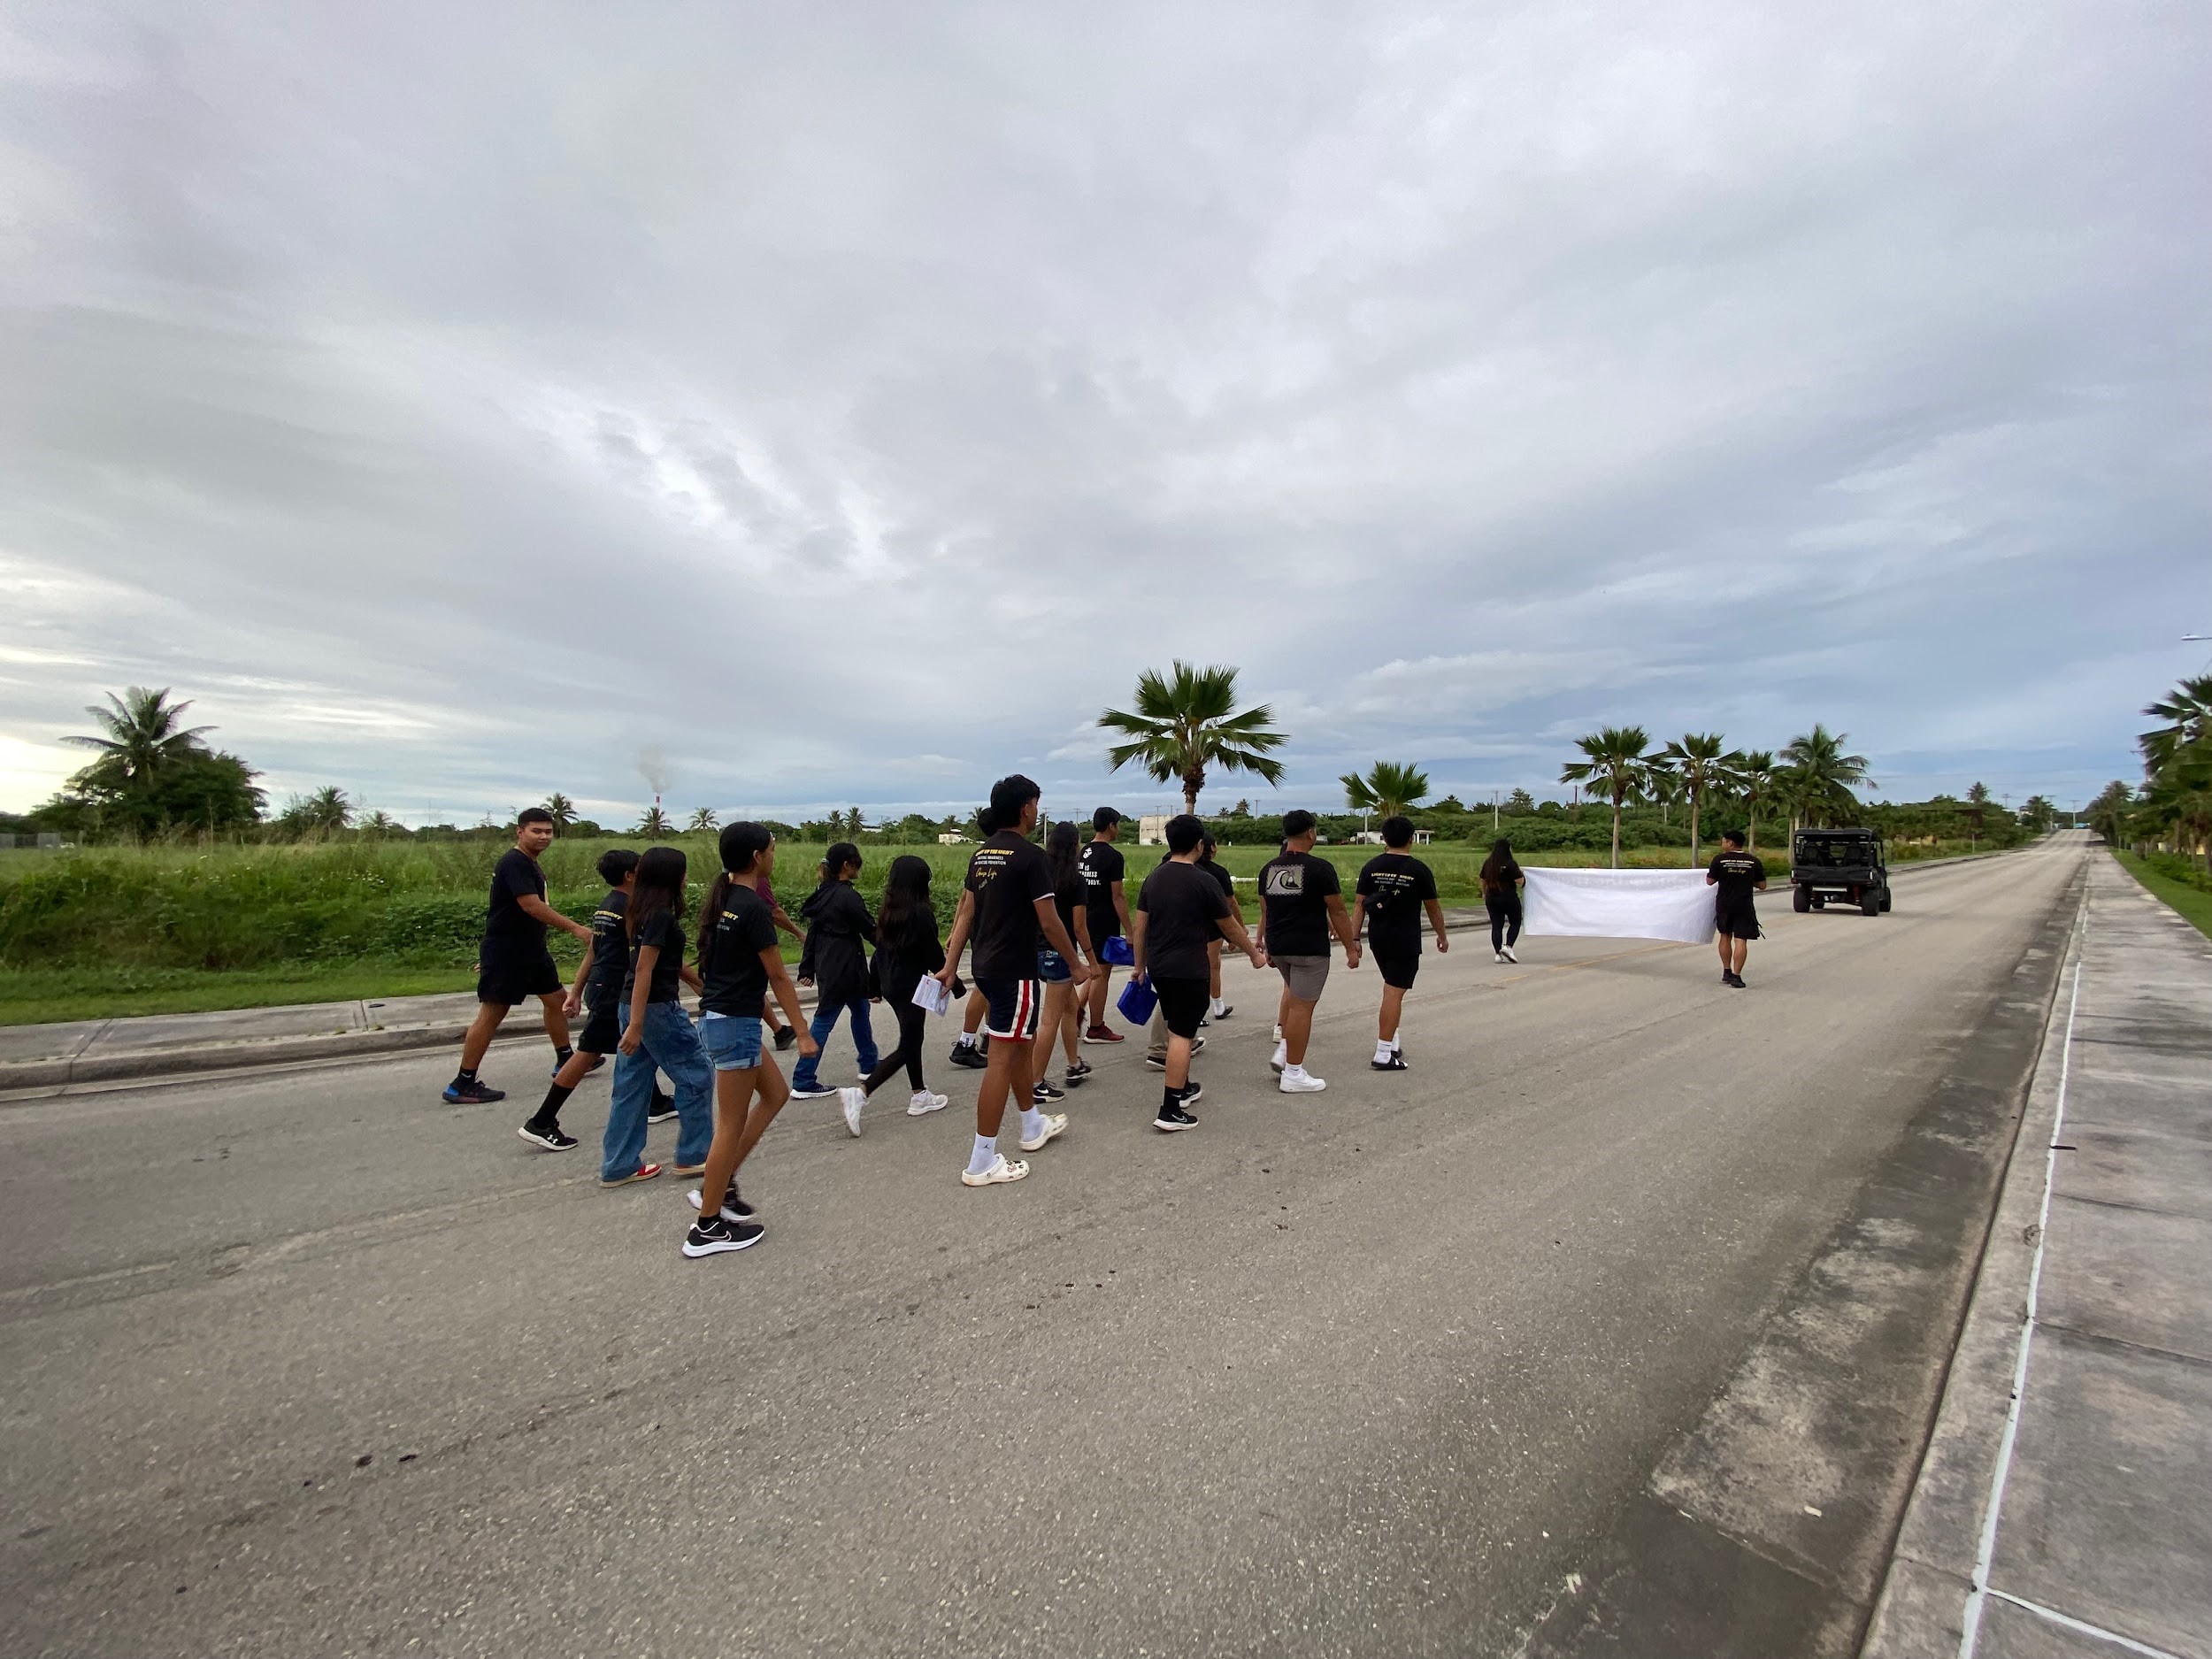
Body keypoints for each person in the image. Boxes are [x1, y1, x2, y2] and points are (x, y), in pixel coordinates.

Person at [933, 775, 1090, 1187]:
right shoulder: (1029, 856)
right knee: (1002, 1056)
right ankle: (982, 1159)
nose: (1037, 809)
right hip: (1014, 970)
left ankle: (1032, 1124)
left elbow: (966, 913)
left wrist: (952, 965)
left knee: (1019, 1045)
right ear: (1025, 809)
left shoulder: (981, 854)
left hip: (985, 965)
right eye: (1036, 803)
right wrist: (1076, 964)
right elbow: (1050, 919)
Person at [682, 822, 818, 1258]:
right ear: (758, 857)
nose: (774, 856)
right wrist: (801, 1032)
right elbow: (778, 974)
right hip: (734, 1024)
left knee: (776, 1094)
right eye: (772, 850)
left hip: (725, 1020)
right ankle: (706, 1227)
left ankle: (719, 1186)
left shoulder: (726, 901)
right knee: (729, 1126)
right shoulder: (753, 907)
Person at [518, 847, 671, 1151]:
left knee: (634, 1044)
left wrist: (576, 992)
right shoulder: (629, 908)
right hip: (613, 988)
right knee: (588, 1053)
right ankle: (542, 1120)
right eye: (640, 868)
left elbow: (593, 949)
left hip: (602, 985)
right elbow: (641, 957)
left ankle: (654, 1102)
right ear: (630, 876)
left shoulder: (607, 906)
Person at [443, 807, 594, 1104]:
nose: (543, 837)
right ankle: (462, 1082)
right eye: (536, 831)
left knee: (556, 1000)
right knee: (492, 1014)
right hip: (509, 950)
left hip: (530, 949)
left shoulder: (529, 863)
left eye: (548, 831)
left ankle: (565, 1057)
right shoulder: (515, 862)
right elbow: (531, 906)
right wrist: (577, 929)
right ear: (520, 831)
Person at [1133, 814, 1264, 1131]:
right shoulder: (1205, 880)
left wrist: (1139, 966)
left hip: (1160, 967)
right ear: (1200, 845)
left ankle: (1184, 1085)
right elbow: (1229, 925)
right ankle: (1170, 1109)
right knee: (1182, 1035)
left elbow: (1140, 926)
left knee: (1176, 1023)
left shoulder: (1155, 878)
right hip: (1190, 968)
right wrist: (1253, 954)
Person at [600, 846, 715, 1187]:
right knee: (697, 1074)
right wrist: (637, 1025)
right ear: (672, 877)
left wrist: (698, 985)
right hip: (654, 1009)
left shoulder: (639, 909)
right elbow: (645, 969)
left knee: (631, 1084)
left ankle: (619, 1164)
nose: (686, 877)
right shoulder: (660, 915)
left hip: (631, 1004)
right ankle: (694, 1155)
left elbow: (665, 962)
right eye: (683, 871)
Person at [1256, 809, 1360, 1094]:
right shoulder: (1320, 868)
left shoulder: (1269, 868)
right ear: (1311, 833)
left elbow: (1268, 910)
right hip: (1309, 948)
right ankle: (1293, 1073)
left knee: (1294, 998)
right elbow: (1338, 910)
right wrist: (1351, 948)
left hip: (1280, 947)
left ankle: (1286, 1053)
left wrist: (1267, 945)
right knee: (1302, 1007)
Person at [788, 842, 878, 1130]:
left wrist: (807, 967)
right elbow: (869, 928)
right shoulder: (847, 897)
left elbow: (813, 933)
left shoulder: (823, 894)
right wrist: (894, 949)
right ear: (847, 866)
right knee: (826, 1020)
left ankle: (868, 1063)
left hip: (830, 964)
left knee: (860, 1010)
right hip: (847, 965)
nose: (859, 868)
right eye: (857, 863)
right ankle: (803, 1079)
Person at [857, 854, 952, 1119]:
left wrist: (873, 986)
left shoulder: (889, 909)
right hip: (912, 986)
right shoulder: (920, 913)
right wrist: (952, 981)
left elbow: (879, 952)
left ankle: (920, 1094)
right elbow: (933, 953)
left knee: (912, 1038)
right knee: (909, 1045)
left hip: (892, 984)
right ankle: (863, 1091)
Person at [1352, 816, 1448, 1071]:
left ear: (1384, 838)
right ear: (1411, 839)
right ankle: (1384, 1052)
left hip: (1378, 937)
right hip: (1404, 939)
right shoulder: (1419, 870)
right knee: (1394, 992)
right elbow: (1433, 908)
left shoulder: (1371, 866)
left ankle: (1392, 1039)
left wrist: (1354, 938)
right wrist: (1442, 935)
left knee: (1390, 988)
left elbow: (1359, 905)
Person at [1031, 820, 1092, 1099]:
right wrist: (1088, 961)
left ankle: (1074, 1063)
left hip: (1037, 950)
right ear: (1075, 846)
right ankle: (1035, 1083)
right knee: (1050, 1020)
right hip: (1062, 954)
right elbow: (1079, 927)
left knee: (1071, 1009)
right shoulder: (1076, 880)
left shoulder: (1040, 874)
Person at [948, 806, 1001, 1072]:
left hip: (977, 930)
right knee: (984, 987)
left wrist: (955, 930)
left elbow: (963, 900)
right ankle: (966, 1042)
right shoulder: (1001, 854)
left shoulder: (980, 855)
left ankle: (990, 1036)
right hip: (990, 932)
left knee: (989, 988)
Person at [1079, 807, 1133, 1044]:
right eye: (1118, 824)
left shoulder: (1082, 852)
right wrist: (1130, 931)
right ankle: (1096, 1027)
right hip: (1102, 920)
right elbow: (1117, 896)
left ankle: (1078, 1010)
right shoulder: (1113, 856)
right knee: (1101, 974)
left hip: (1081, 918)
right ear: (1111, 826)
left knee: (1094, 969)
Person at [1707, 828, 1767, 988]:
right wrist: (1747, 880)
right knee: (1741, 939)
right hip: (1744, 905)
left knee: (1725, 936)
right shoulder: (1753, 861)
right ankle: (1737, 976)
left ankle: (1726, 971)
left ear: (1730, 843)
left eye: (1724, 841)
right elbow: (1762, 885)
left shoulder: (1719, 860)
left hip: (1724, 905)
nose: (1722, 844)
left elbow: (1709, 881)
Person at [1199, 833, 1238, 1020]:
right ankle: (1214, 1006)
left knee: (1200, 966)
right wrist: (1239, 929)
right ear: (1212, 848)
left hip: (1188, 924)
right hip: (1213, 926)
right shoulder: (1219, 872)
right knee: (1212, 966)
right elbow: (1230, 902)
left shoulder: (1189, 868)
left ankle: (1212, 1007)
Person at [1479, 838, 1525, 963]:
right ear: (1507, 849)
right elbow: (1520, 881)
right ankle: (1508, 946)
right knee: (1515, 922)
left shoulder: (1489, 862)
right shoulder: (1510, 863)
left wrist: (1484, 893)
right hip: (1509, 897)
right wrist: (1522, 874)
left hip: (1492, 898)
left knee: (1497, 925)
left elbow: (1483, 880)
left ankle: (1498, 954)